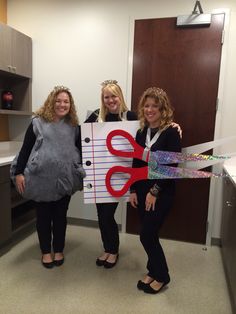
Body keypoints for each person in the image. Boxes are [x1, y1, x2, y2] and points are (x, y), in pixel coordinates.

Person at [85, 80, 181, 269]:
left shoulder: (132, 117)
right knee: (102, 216)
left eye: (114, 95)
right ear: (102, 99)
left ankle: (113, 250)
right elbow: (80, 136)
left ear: (120, 96)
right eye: (106, 97)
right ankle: (109, 248)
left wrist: (174, 125)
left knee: (110, 216)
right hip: (102, 176)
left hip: (124, 176)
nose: (110, 100)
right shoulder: (96, 117)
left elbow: (155, 126)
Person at [11, 86, 85, 269]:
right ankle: (46, 252)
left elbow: (83, 149)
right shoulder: (37, 123)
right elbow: (26, 149)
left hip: (64, 179)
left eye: (66, 101)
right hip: (40, 179)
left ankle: (58, 249)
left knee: (60, 217)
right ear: (52, 102)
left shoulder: (74, 126)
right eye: (58, 101)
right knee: (43, 217)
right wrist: (19, 172)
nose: (62, 104)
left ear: (71, 105)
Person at [129, 87, 181, 294]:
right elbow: (134, 161)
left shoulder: (171, 132)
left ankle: (162, 275)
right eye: (147, 105)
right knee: (150, 234)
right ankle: (152, 270)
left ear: (163, 108)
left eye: (155, 106)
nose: (150, 110)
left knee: (146, 234)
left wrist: (155, 191)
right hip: (141, 191)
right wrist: (133, 189)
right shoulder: (141, 131)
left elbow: (172, 166)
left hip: (161, 192)